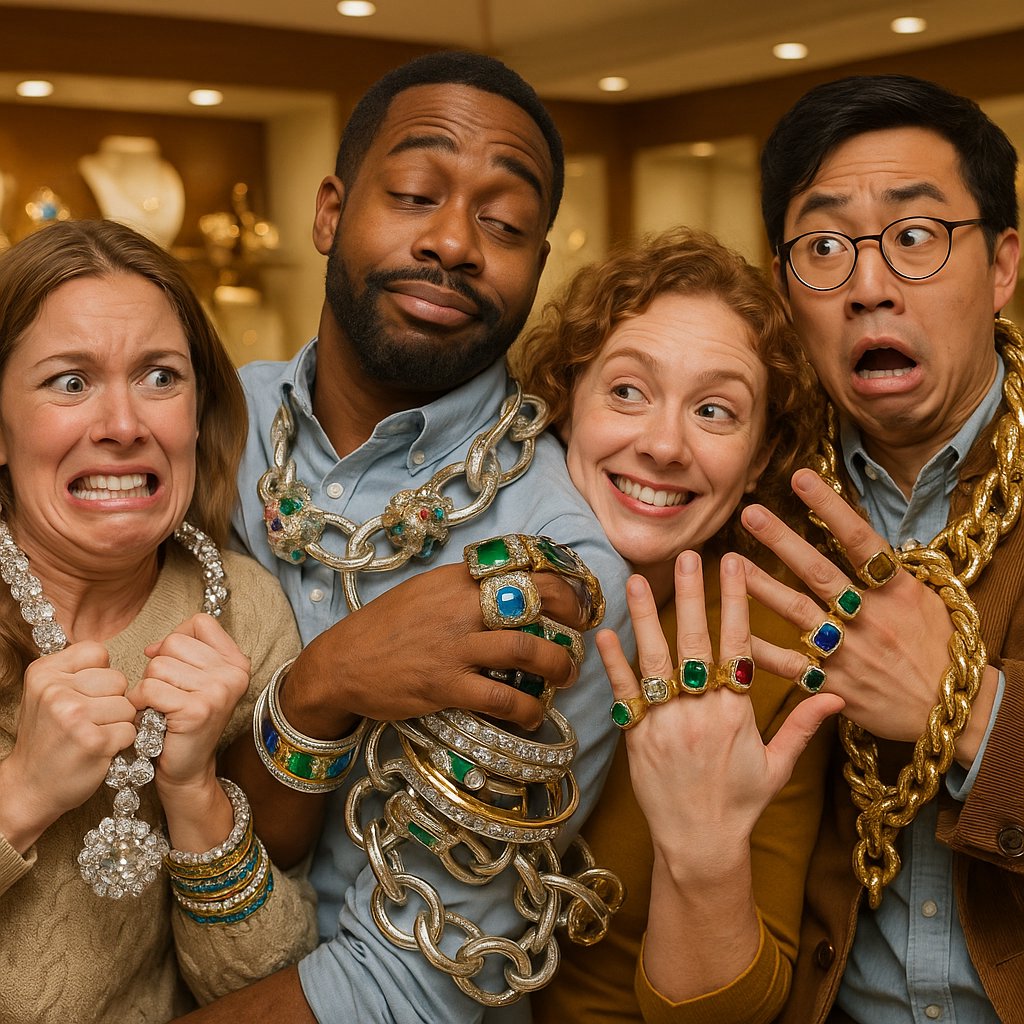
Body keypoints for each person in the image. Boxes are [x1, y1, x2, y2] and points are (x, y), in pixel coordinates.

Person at [178, 51, 630, 1024]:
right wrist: (325, 681)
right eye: (418, 192)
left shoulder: (552, 573)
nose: (456, 242)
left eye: (505, 224)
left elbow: (411, 986)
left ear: (536, 267)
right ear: (331, 211)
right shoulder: (199, 423)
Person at [735, 74, 1024, 1022]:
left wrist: (969, 711)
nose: (867, 288)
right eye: (824, 247)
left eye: (914, 238)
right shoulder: (746, 499)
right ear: (786, 289)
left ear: (1004, 266)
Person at [511, 226, 842, 1022]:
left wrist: (703, 849)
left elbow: (741, 1008)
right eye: (627, 391)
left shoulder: (770, 653)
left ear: (762, 454)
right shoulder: (460, 570)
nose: (662, 444)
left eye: (715, 411)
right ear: (565, 403)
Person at [0, 219, 317, 1022]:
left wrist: (193, 793)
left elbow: (262, 989)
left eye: (159, 377)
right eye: (69, 382)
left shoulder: (243, 615)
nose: (123, 424)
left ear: (200, 410)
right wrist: (22, 793)